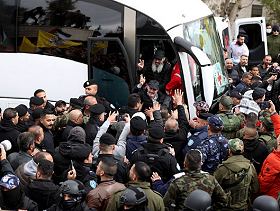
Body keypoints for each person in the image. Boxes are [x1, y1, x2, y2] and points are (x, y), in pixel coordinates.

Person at [163, 149, 228, 210]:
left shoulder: (177, 183)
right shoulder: (211, 180)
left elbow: (166, 205)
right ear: (200, 164)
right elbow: (224, 199)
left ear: (184, 164)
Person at [214, 138, 259, 210]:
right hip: (243, 207)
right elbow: (255, 189)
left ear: (229, 151)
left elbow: (214, 189)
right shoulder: (250, 166)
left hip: (226, 208)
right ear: (243, 151)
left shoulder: (223, 169)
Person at [163, 89, 189, 167]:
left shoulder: (160, 138)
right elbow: (183, 122)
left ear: (164, 128)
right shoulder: (182, 137)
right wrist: (179, 104)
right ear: (178, 129)